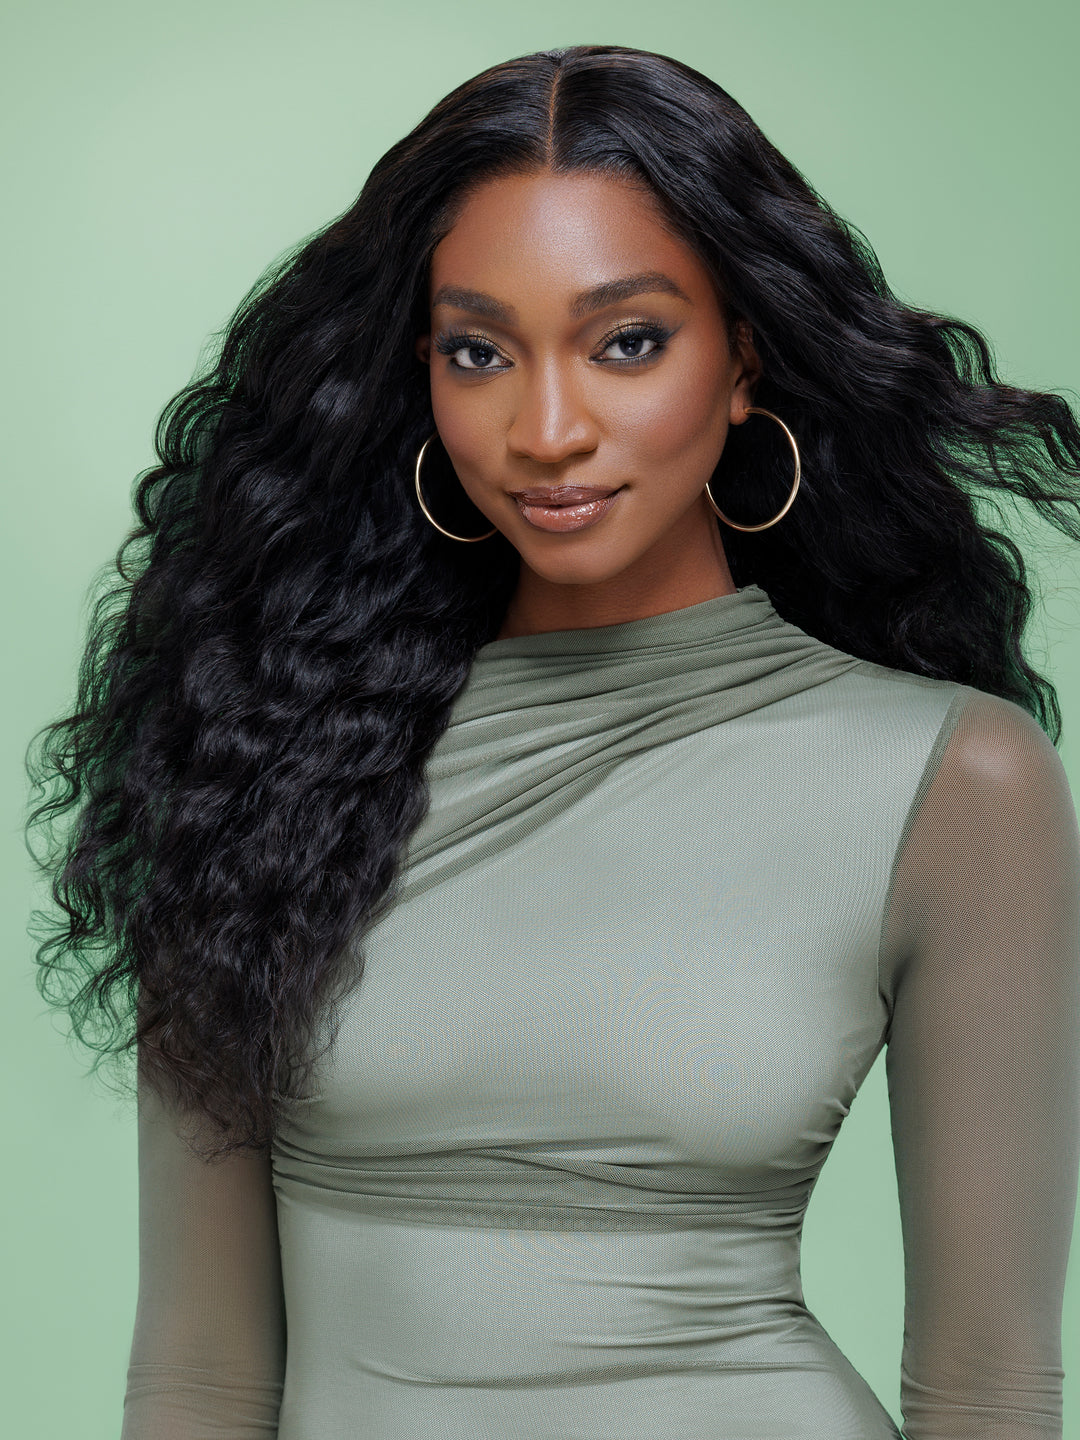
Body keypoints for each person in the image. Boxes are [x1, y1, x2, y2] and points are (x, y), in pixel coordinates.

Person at [25, 42, 1080, 1440]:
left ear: (744, 354)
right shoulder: (253, 748)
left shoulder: (955, 781)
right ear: (422, 379)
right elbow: (199, 1370)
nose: (549, 428)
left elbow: (988, 1388)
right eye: (480, 352)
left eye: (626, 341)